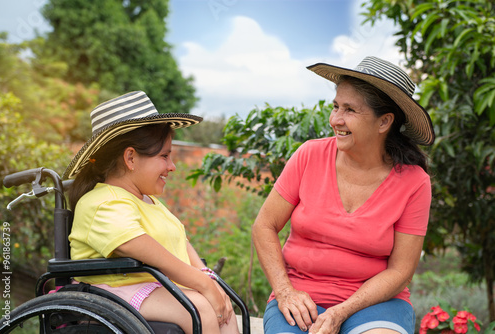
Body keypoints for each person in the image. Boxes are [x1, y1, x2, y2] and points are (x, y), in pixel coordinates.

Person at [252, 56, 435, 334]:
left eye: (349, 110)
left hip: (376, 302)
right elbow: (264, 225)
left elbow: (400, 271)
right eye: (336, 106)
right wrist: (285, 291)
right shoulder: (309, 155)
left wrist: (342, 311)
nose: (335, 119)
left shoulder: (414, 182)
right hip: (301, 300)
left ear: (384, 121)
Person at [65, 91, 240, 334]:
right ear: (131, 157)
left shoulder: (149, 201)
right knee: (201, 308)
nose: (172, 166)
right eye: (164, 156)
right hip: (111, 292)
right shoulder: (101, 202)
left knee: (222, 306)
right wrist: (202, 285)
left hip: (154, 287)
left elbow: (180, 240)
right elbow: (141, 247)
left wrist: (207, 278)